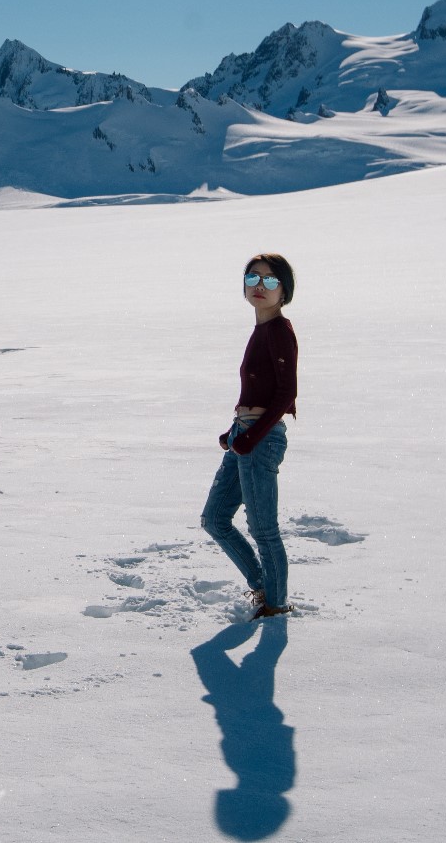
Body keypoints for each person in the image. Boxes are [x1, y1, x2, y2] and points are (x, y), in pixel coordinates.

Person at [201, 253, 298, 620]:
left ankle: (276, 606)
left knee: (263, 528)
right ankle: (264, 585)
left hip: (262, 438)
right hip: (247, 433)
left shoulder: (279, 332)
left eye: (271, 281)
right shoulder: (261, 330)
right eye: (253, 278)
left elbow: (285, 395)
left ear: (284, 291)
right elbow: (259, 391)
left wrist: (251, 436)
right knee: (215, 518)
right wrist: (234, 432)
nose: (260, 286)